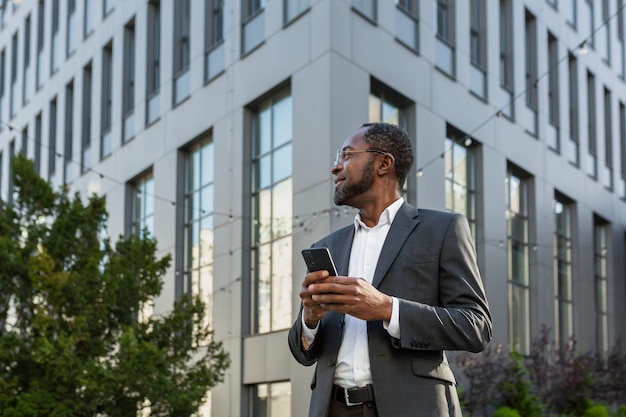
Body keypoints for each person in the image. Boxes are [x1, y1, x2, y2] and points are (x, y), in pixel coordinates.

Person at [288, 122, 492, 417]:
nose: (336, 168)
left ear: (383, 163)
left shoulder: (443, 229)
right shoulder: (328, 246)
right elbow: (301, 352)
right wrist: (310, 317)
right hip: (332, 409)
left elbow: (476, 326)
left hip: (414, 406)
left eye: (346, 155)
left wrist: (387, 308)